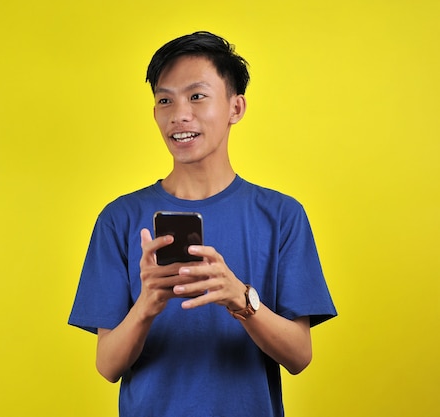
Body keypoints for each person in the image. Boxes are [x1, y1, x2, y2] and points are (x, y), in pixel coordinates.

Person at [68, 31, 337, 417]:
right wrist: (147, 304)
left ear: (236, 107)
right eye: (165, 100)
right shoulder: (119, 218)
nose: (179, 114)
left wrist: (241, 299)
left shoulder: (282, 215)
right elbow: (108, 366)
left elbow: (299, 356)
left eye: (197, 96)